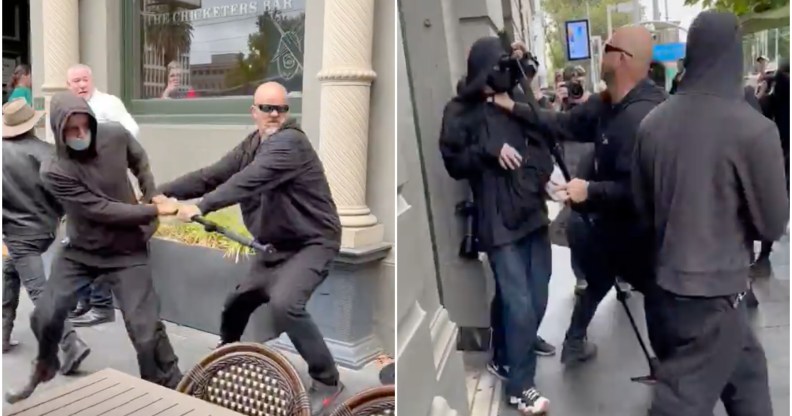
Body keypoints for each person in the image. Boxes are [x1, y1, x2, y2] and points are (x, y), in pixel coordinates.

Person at [155, 82, 344, 415]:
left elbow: (249, 179)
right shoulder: (253, 143)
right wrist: (159, 193)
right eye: (266, 108)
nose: (274, 115)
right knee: (238, 303)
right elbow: (211, 175)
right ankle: (225, 357)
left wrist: (201, 206)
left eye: (280, 109)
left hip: (313, 242)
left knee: (286, 304)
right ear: (253, 111)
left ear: (287, 113)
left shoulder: (290, 143)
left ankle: (328, 380)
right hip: (275, 247)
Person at [633, 11, 787, 415]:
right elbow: (772, 222)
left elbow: (643, 210)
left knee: (748, 381)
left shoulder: (652, 125)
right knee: (681, 401)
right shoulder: (754, 130)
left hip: (666, 290)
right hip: (717, 295)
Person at [490, 25, 669, 366]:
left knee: (660, 300)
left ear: (622, 58)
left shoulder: (647, 117)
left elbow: (645, 190)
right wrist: (512, 106)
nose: (600, 53)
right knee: (599, 278)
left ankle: (669, 372)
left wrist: (590, 190)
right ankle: (575, 342)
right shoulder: (606, 104)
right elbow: (562, 123)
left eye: (607, 48)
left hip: (645, 236)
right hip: (607, 227)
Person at [8, 92, 182, 398]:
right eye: (71, 130)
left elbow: (138, 157)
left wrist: (150, 190)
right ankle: (45, 366)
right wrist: (154, 210)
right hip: (81, 252)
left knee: (145, 332)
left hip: (127, 248)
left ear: (91, 120)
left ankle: (167, 386)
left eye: (84, 126)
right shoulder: (54, 169)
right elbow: (102, 209)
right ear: (59, 132)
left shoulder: (114, 133)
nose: (80, 134)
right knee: (44, 314)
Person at [440, 37, 554, 414]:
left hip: (533, 215)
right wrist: (489, 151)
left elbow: (543, 143)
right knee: (519, 305)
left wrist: (539, 179)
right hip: (497, 222)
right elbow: (453, 162)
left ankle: (505, 353)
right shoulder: (459, 111)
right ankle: (520, 386)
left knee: (534, 299)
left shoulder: (514, 105)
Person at [1, 98, 91, 377]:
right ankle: (3, 335)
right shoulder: (49, 152)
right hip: (45, 229)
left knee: (40, 291)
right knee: (9, 272)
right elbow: (65, 193)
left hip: (17, 233)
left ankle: (70, 343)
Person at [65, 63, 142, 326]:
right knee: (78, 242)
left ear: (92, 79)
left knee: (100, 244)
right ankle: (85, 301)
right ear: (69, 86)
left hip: (108, 188)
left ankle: (101, 306)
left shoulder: (109, 103)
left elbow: (132, 132)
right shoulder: (69, 109)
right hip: (81, 188)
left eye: (84, 79)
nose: (81, 85)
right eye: (75, 81)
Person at [751, 60, 790, 278]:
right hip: (782, 154)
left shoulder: (772, 99)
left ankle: (764, 253)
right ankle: (764, 252)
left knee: (775, 197)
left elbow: (755, 110)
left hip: (779, 155)